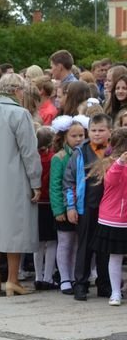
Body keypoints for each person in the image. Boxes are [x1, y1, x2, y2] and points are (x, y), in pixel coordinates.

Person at [0, 73, 43, 297]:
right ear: (17, 90)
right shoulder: (20, 114)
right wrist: (36, 182)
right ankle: (13, 280)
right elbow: (29, 152)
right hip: (14, 178)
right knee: (15, 229)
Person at [64, 113, 113, 301]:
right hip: (86, 206)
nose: (97, 134)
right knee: (84, 247)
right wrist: (71, 206)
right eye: (93, 130)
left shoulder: (114, 151)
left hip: (109, 208)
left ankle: (105, 284)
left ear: (110, 132)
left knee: (106, 248)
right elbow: (69, 181)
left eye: (101, 130)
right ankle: (81, 284)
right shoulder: (80, 152)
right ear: (88, 132)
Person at [50, 117, 86, 294]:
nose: (78, 139)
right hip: (65, 209)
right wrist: (58, 209)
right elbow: (55, 185)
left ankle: (74, 275)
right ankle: (64, 277)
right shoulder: (60, 158)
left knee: (78, 243)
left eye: (81, 135)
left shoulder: (85, 154)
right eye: (74, 136)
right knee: (65, 242)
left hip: (80, 207)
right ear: (65, 137)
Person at [92, 128, 127, 305]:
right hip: (113, 218)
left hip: (121, 216)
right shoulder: (109, 163)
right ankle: (115, 293)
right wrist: (120, 162)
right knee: (115, 256)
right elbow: (111, 182)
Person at [33, 127, 59, 290]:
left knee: (38, 243)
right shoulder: (53, 158)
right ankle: (48, 277)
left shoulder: (33, 157)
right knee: (52, 242)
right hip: (50, 203)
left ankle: (38, 276)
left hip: (35, 203)